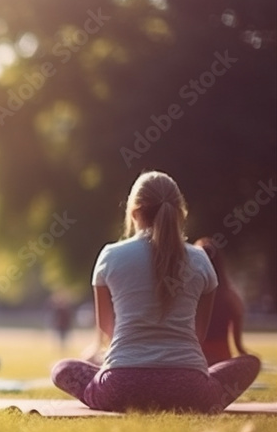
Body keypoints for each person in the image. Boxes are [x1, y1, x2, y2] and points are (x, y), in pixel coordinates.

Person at [51, 171, 260, 412]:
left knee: (61, 369)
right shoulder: (201, 259)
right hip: (191, 391)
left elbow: (106, 329)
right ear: (180, 212)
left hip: (121, 387)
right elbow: (198, 335)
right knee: (250, 364)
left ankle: (109, 381)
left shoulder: (110, 255)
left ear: (134, 212)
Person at [194, 237, 250, 364]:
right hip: (221, 361)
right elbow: (238, 346)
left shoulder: (189, 296)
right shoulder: (231, 297)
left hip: (195, 360)